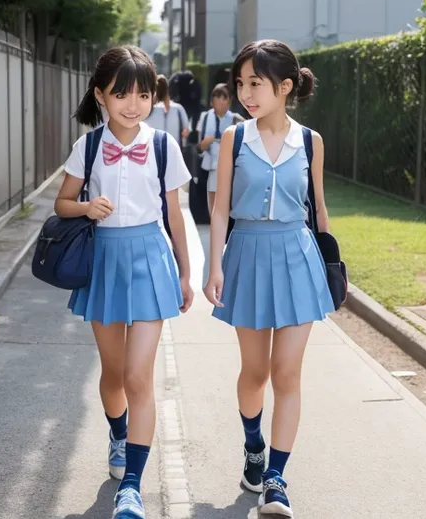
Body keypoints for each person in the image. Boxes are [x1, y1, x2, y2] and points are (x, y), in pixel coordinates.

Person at [55, 46, 194, 519]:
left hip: (151, 260)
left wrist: (185, 272)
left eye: (142, 93)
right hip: (105, 263)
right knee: (113, 375)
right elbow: (61, 203)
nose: (133, 104)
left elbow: (175, 214)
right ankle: (119, 433)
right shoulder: (88, 146)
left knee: (138, 376)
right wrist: (86, 207)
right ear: (100, 95)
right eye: (121, 94)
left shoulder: (162, 145)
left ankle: (132, 486)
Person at [204, 40, 334, 518]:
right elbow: (220, 209)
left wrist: (332, 264)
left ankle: (276, 480)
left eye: (254, 83)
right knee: (255, 373)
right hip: (248, 256)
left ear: (284, 86)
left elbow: (318, 208)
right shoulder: (234, 139)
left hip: (298, 258)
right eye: (240, 83)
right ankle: (254, 446)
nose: (245, 93)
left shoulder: (312, 142)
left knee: (287, 374)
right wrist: (214, 265)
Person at [197, 83, 241, 216]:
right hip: (211, 166)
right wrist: (207, 141)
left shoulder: (235, 119)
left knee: (229, 199)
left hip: (230, 167)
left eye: (224, 101)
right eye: (218, 101)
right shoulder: (205, 117)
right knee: (213, 200)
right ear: (212, 102)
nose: (221, 105)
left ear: (229, 102)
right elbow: (200, 147)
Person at [145, 74, 190, 146]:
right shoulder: (178, 109)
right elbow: (186, 132)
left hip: (152, 151)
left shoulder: (147, 109)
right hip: (172, 150)